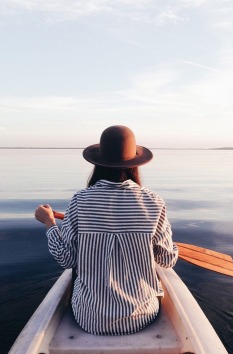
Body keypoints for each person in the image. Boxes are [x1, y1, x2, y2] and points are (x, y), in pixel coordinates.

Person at [35, 125, 178, 336]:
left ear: (97, 164)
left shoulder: (80, 200)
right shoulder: (154, 202)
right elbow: (167, 260)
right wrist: (172, 247)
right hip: (142, 317)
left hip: (89, 319)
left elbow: (67, 259)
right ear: (134, 165)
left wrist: (49, 224)